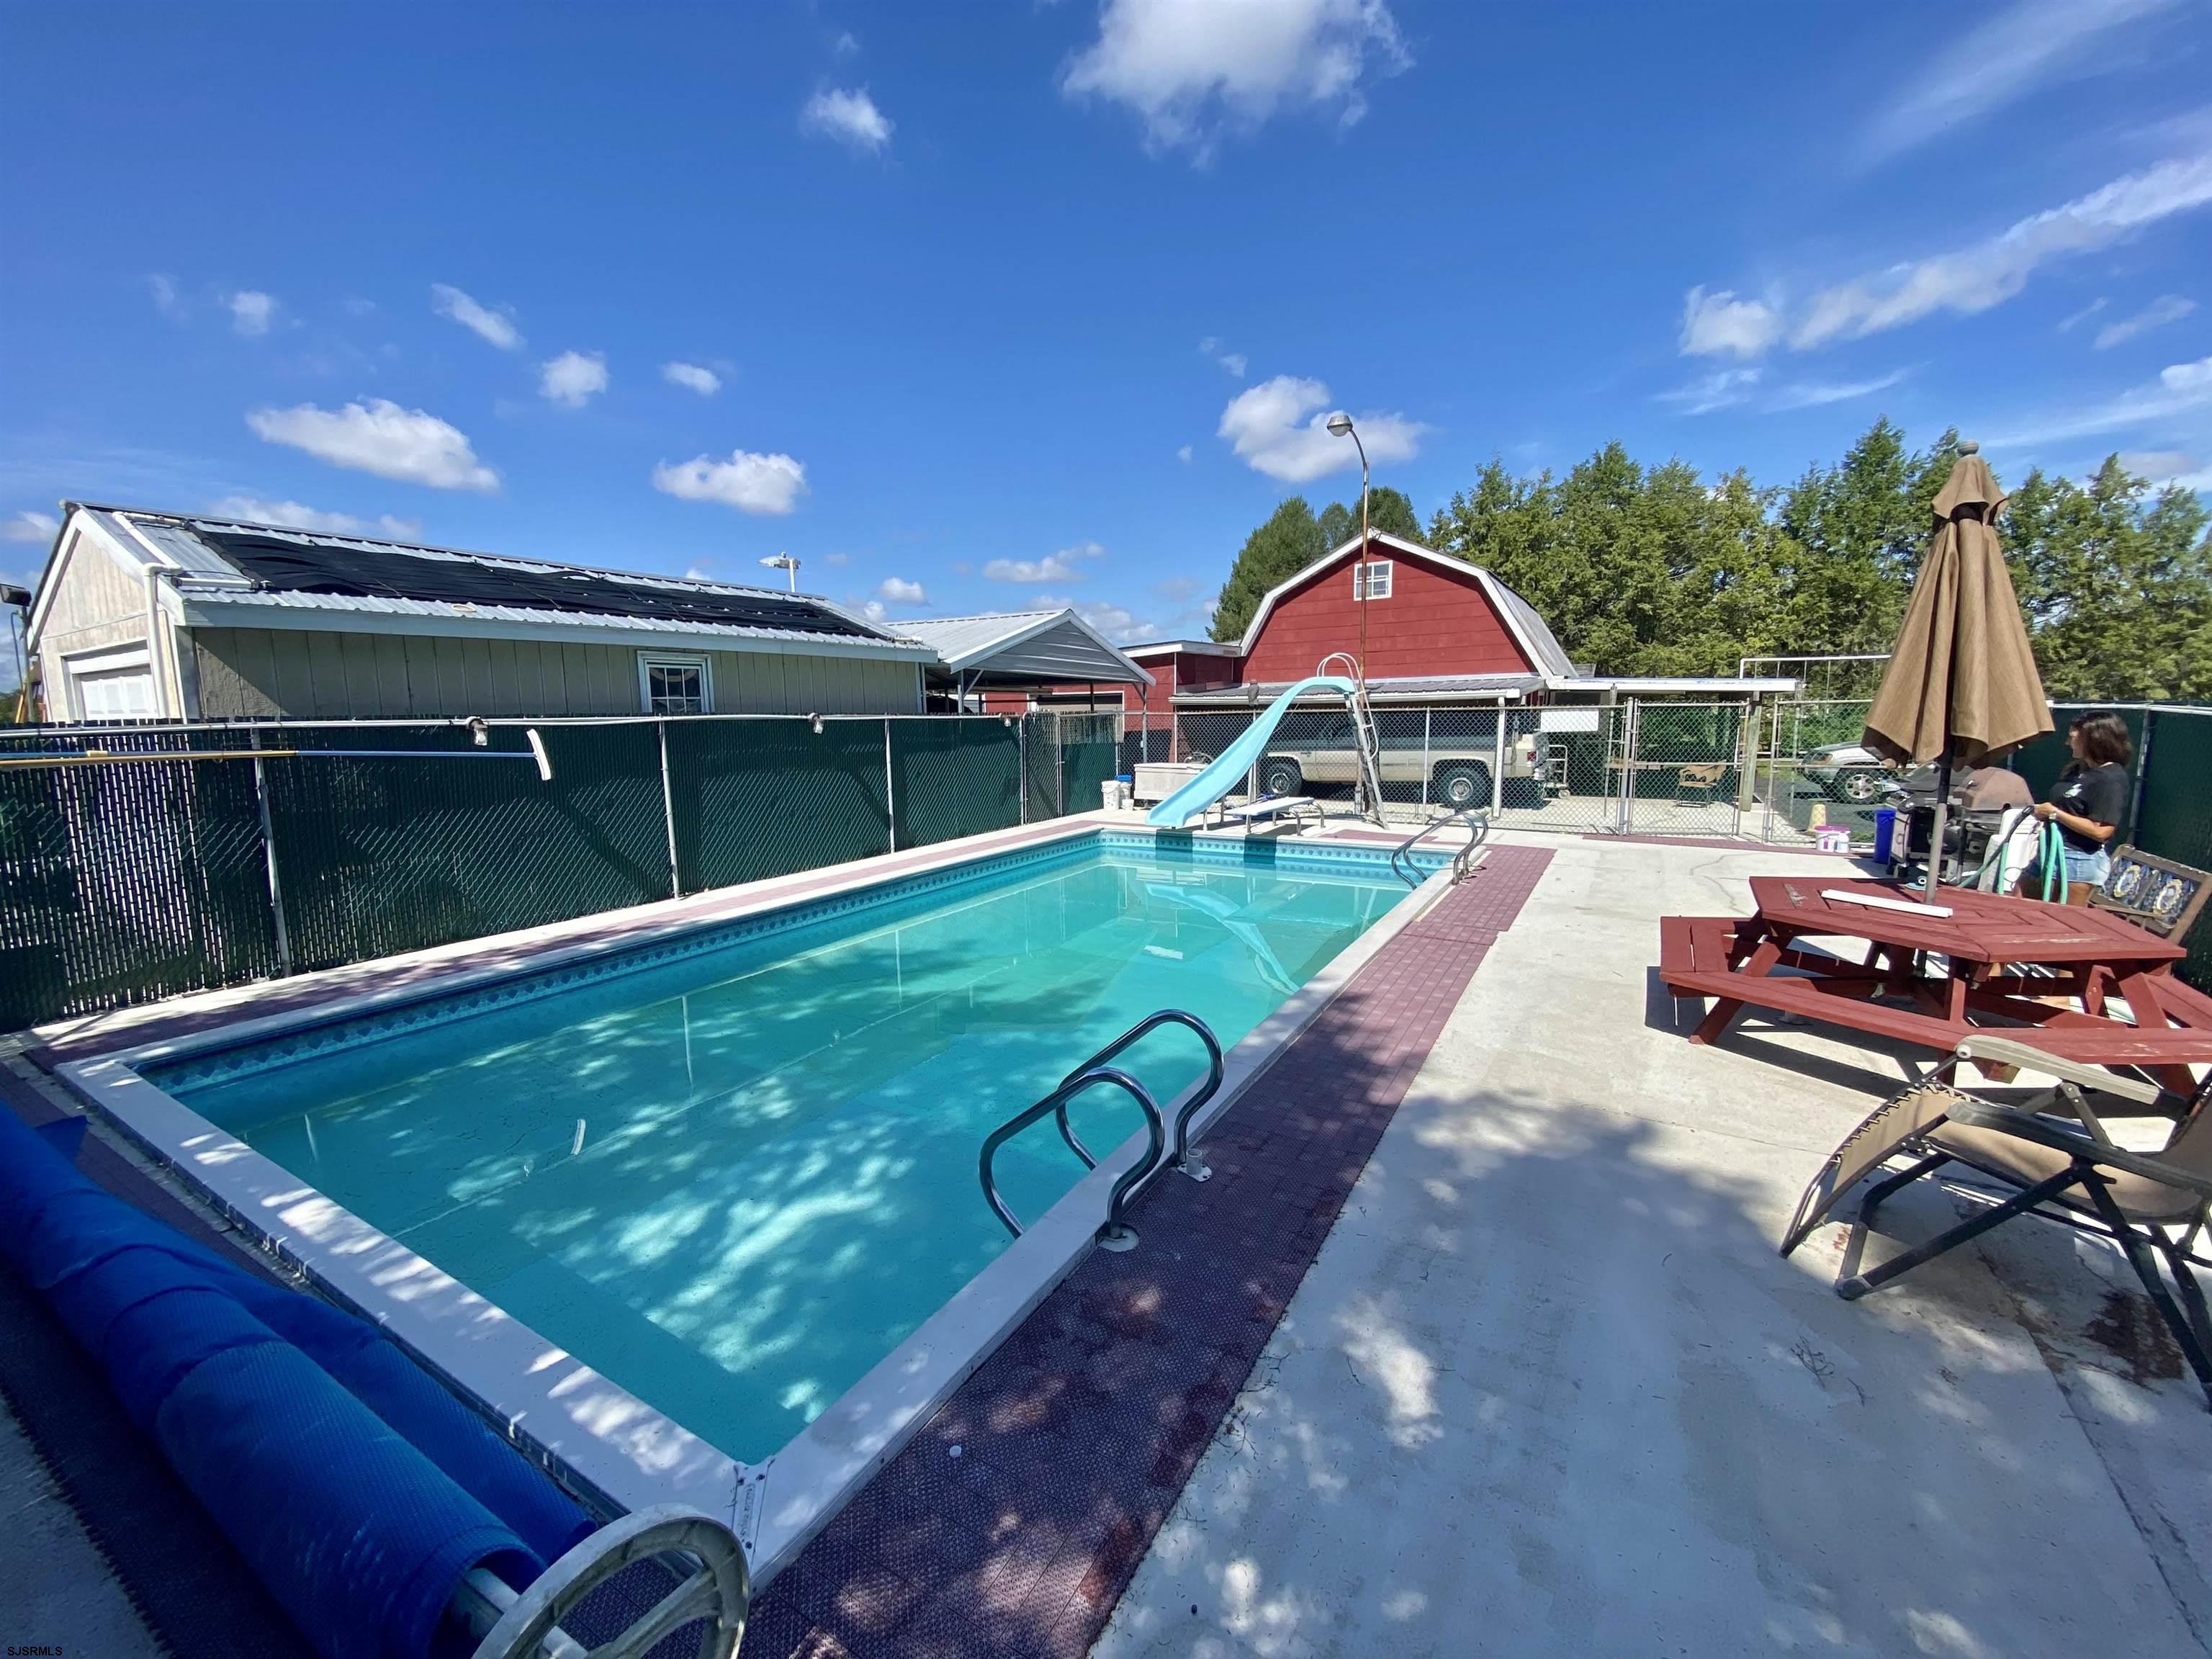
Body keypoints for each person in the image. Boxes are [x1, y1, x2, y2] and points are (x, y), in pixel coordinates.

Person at [2016, 712, 2131, 903]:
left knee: (2061, 924)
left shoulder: (2110, 780)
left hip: (2076, 861)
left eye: (2073, 737)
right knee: (2016, 902)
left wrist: (2054, 813)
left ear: (2094, 740)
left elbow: (2102, 831)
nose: (2067, 743)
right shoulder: (2080, 770)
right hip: (2048, 851)